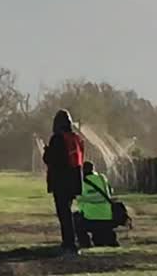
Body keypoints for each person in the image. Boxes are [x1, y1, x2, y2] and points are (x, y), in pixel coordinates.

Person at [43, 109, 85, 254]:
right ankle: (70, 241)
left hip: (61, 181)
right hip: (74, 180)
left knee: (64, 214)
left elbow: (52, 160)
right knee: (67, 211)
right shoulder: (76, 138)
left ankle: (70, 243)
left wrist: (47, 152)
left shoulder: (57, 138)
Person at [76, 161, 120, 248]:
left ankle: (85, 243)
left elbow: (78, 197)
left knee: (74, 219)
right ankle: (108, 239)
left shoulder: (81, 182)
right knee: (101, 239)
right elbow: (110, 191)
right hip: (107, 216)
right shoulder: (102, 178)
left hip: (89, 217)